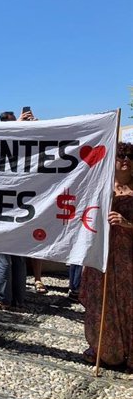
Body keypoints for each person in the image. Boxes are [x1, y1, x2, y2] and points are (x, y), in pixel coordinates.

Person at [80, 142, 133, 368]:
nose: (125, 159)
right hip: (101, 252)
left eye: (130, 156)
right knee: (100, 301)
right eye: (121, 155)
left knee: (127, 302)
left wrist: (127, 223)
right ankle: (102, 349)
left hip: (127, 256)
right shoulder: (101, 186)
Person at [0, 109, 31, 309]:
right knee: (16, 257)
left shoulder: (3, 144)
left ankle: (5, 298)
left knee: (5, 256)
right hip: (20, 205)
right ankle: (18, 299)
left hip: (6, 206)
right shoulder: (12, 140)